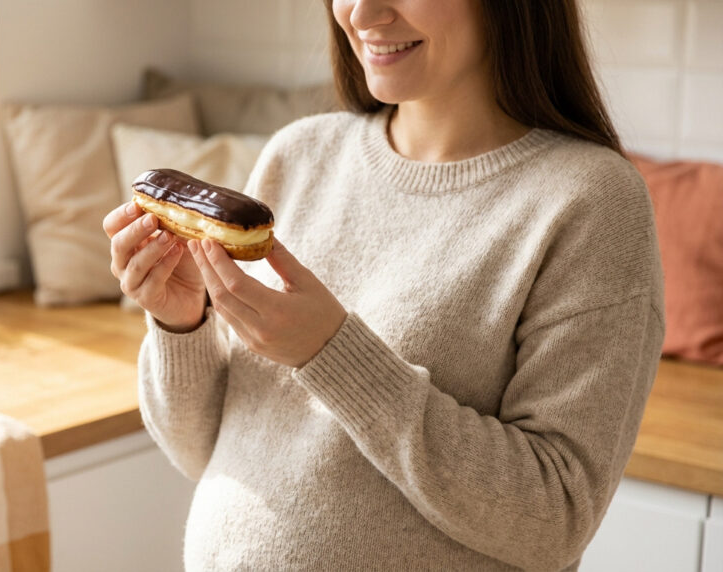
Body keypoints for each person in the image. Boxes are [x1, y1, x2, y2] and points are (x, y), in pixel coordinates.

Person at [103, 0, 665, 570]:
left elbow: (556, 520)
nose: (362, 12)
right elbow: (207, 453)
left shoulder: (590, 201)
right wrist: (182, 323)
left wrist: (331, 353)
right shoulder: (297, 156)